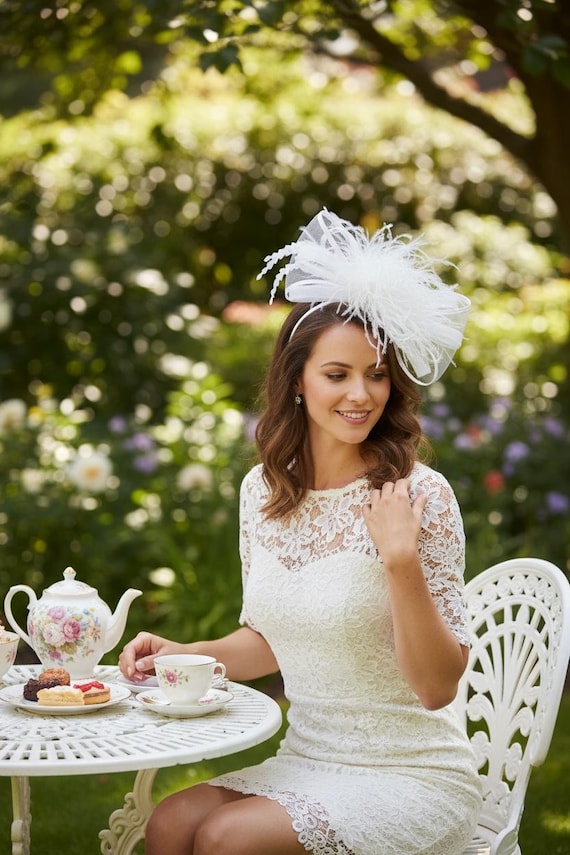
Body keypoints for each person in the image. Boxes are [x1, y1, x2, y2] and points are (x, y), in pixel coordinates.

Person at [119, 209, 482, 855]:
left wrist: (399, 559)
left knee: (229, 837)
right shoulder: (263, 491)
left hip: (413, 772)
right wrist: (179, 650)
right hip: (308, 754)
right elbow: (269, 641)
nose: (362, 393)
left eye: (376, 372)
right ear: (296, 382)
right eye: (337, 374)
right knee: (172, 821)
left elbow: (438, 687)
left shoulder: (419, 494)